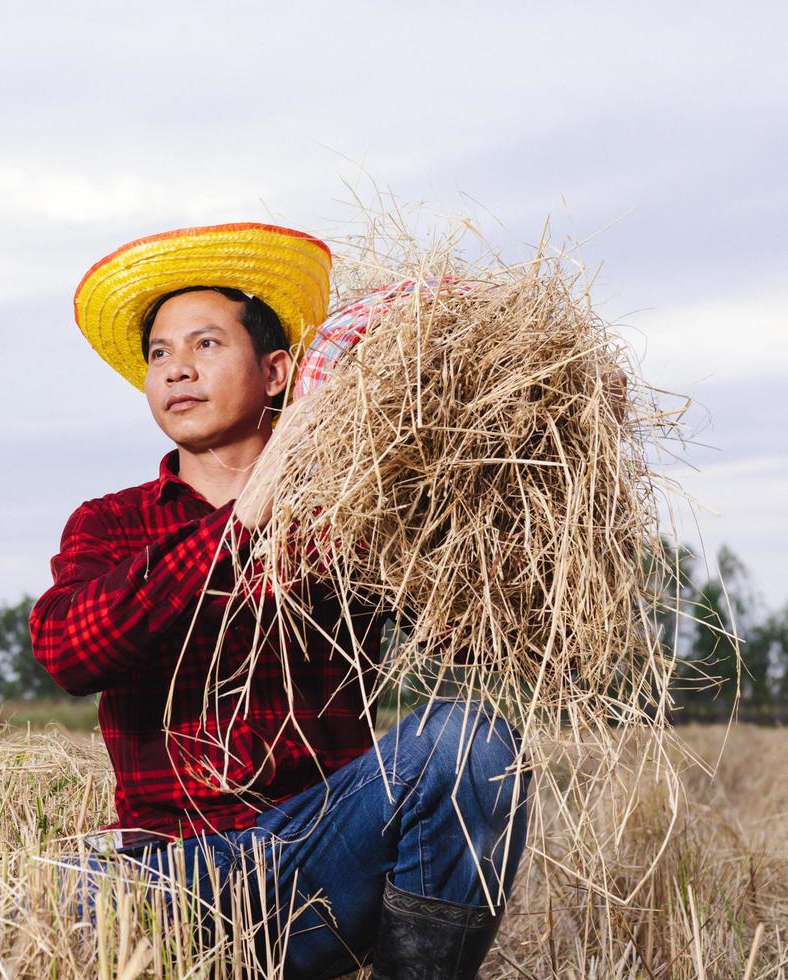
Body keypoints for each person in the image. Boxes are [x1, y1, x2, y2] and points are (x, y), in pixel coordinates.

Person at [31, 223, 528, 979]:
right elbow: (70, 649)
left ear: (275, 374)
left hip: (325, 856)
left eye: (204, 345)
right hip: (178, 874)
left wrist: (463, 539)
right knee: (77, 892)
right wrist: (245, 521)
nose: (176, 371)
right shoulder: (111, 522)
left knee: (474, 745)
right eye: (159, 354)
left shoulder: (348, 516)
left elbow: (471, 639)